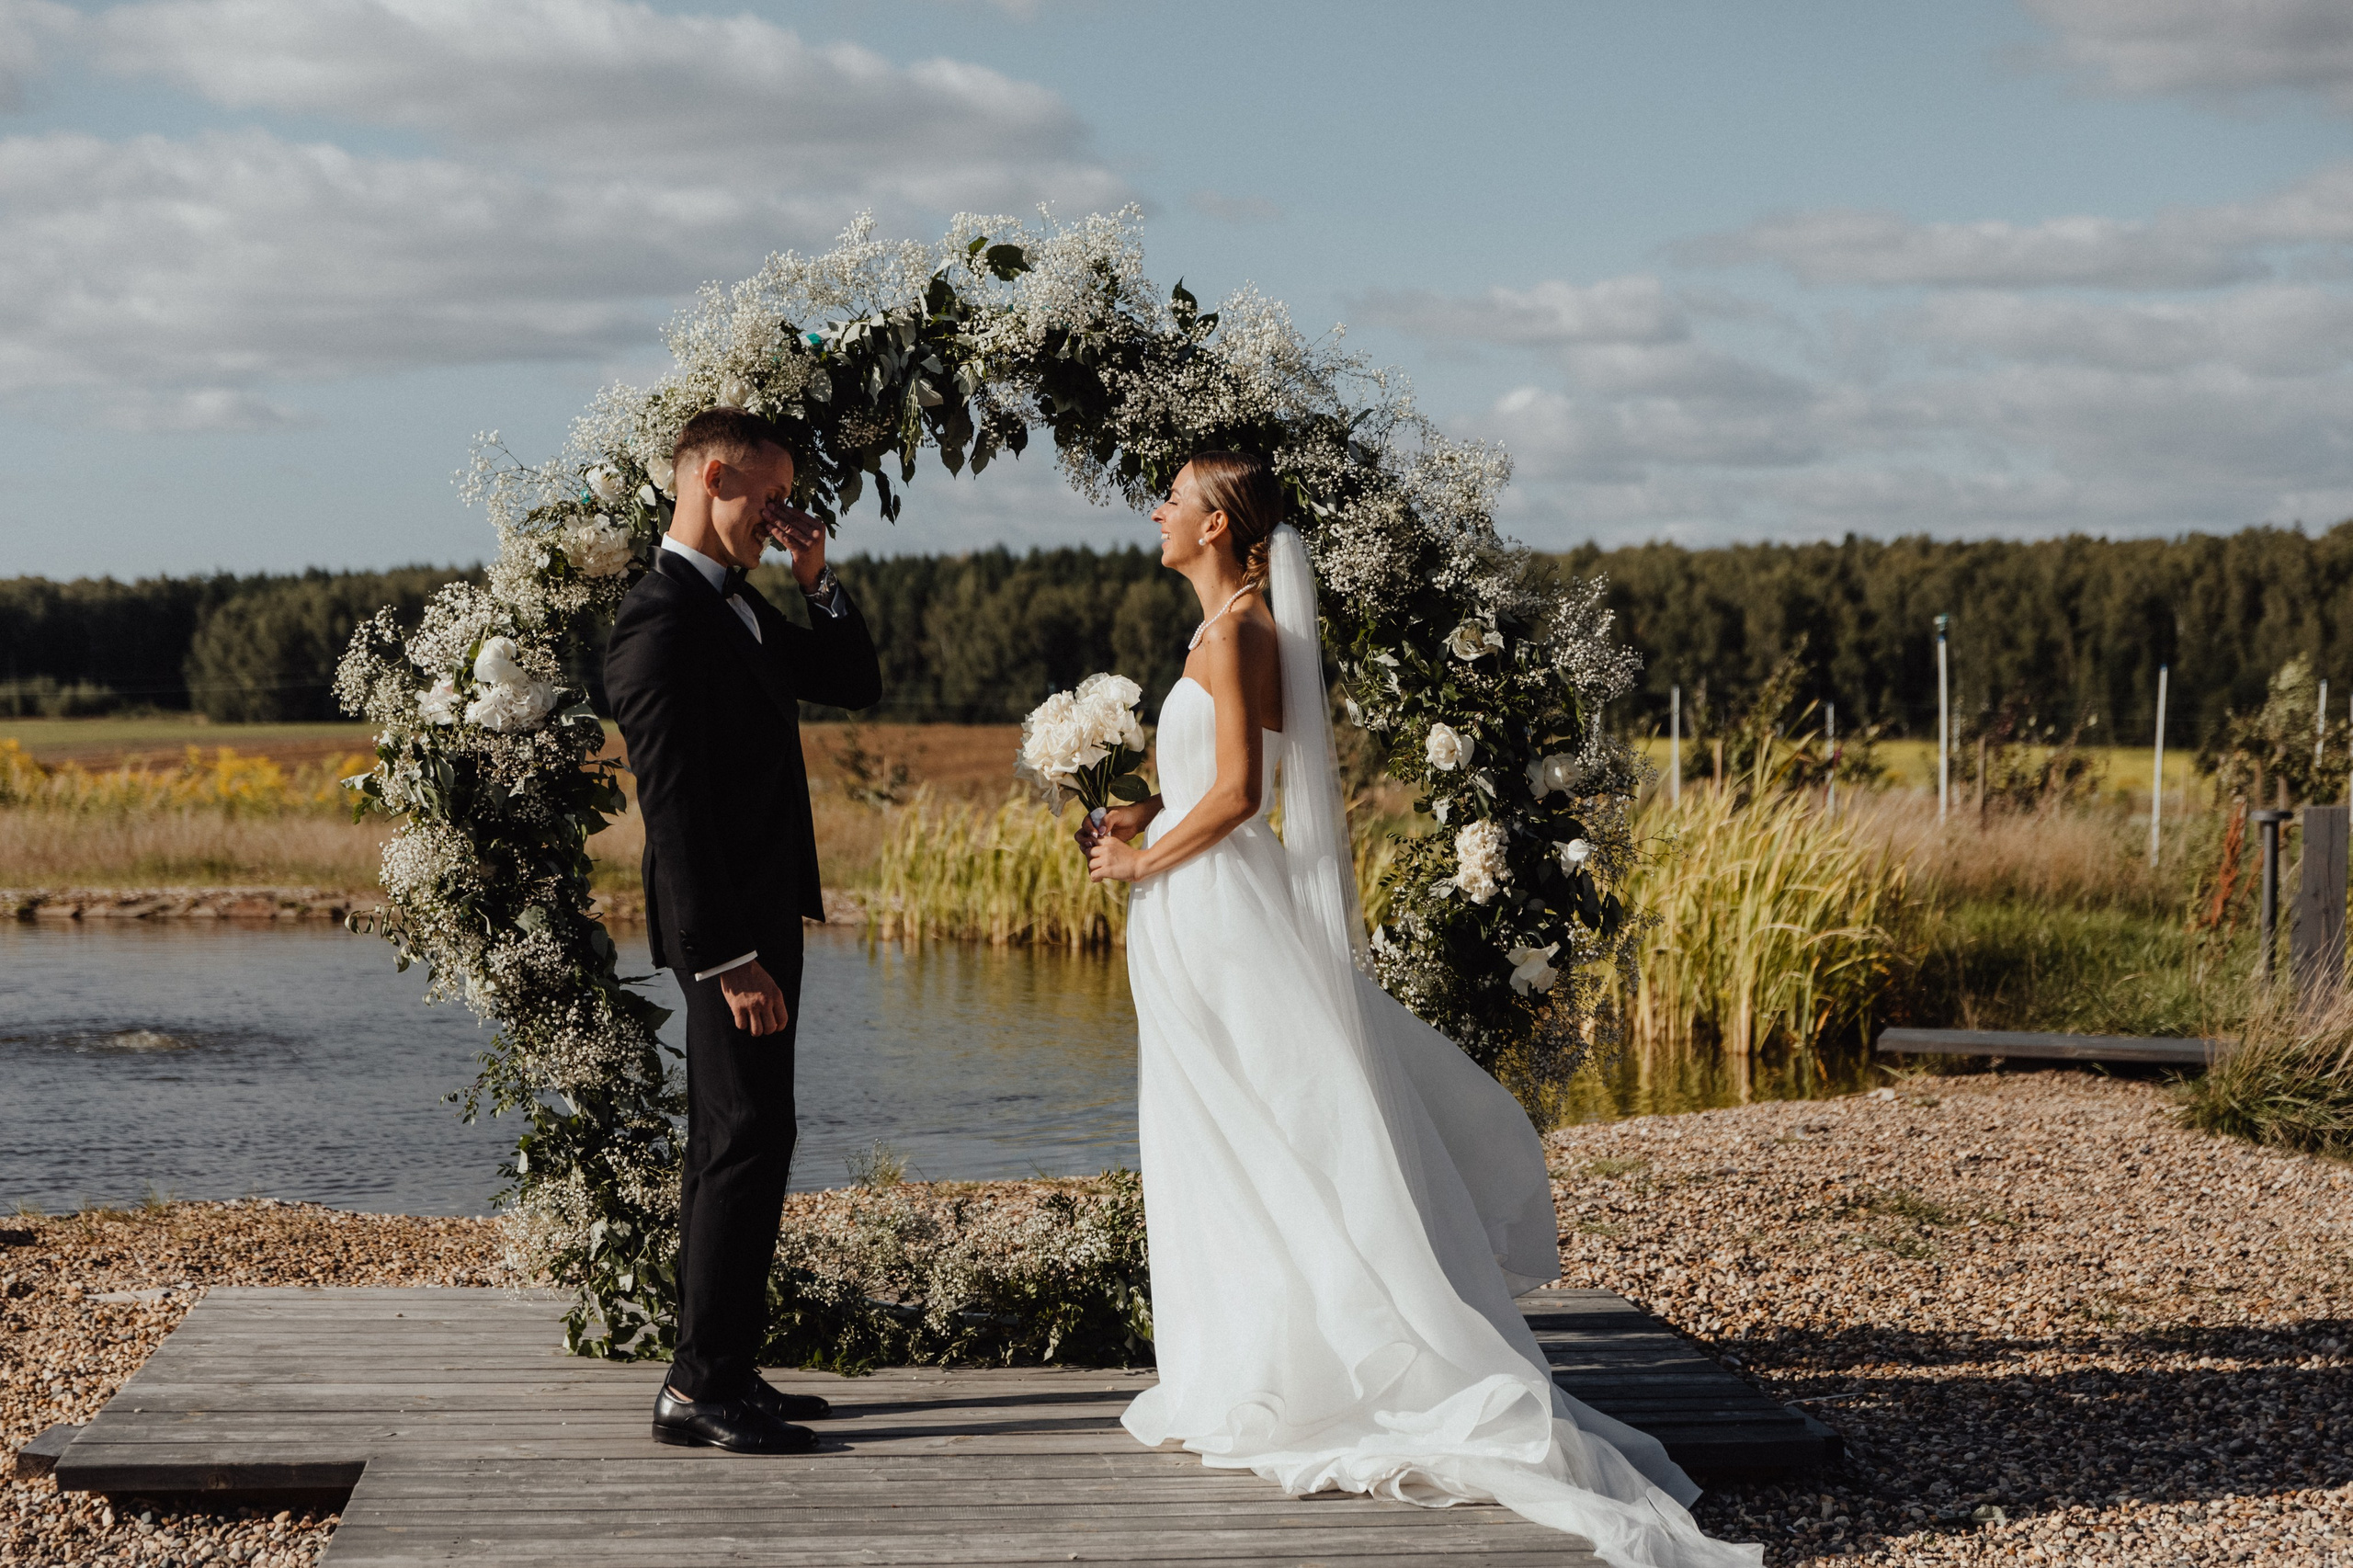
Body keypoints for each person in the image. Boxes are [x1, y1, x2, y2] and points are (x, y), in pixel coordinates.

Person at [1077, 451, 1761, 1568]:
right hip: (1193, 908)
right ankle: (1241, 1354)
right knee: (1222, 1129)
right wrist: (1138, 813)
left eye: (1174, 498)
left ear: (1216, 525)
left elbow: (1246, 794)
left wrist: (1142, 861)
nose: (1156, 510)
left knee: (1272, 1123)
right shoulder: (1225, 629)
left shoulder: (1240, 630)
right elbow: (1217, 780)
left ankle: (1324, 1359)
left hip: (1211, 907)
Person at [603, 406, 882, 1454]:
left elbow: (854, 683)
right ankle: (696, 1383)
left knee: (752, 1133)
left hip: (763, 916)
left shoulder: (741, 608)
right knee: (739, 1137)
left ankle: (727, 1364)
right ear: (711, 474)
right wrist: (726, 960)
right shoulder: (661, 620)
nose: (784, 514)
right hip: (729, 937)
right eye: (770, 496)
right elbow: (672, 811)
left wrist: (817, 580)